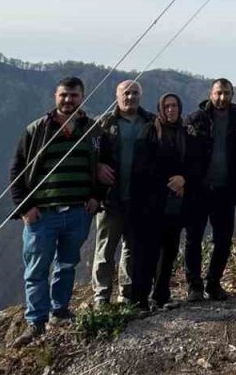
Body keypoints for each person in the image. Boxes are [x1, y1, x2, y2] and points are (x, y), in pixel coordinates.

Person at [8, 76, 102, 346]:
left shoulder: (93, 131)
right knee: (36, 270)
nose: (68, 100)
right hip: (43, 214)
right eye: (64, 95)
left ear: (82, 97)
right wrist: (25, 208)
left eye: (73, 95)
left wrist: (97, 197)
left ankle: (59, 310)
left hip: (78, 213)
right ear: (55, 96)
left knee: (67, 264)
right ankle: (35, 322)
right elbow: (17, 170)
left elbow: (106, 163)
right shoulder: (37, 129)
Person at [90, 80, 155, 306]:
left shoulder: (151, 123)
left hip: (138, 198)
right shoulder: (104, 123)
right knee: (105, 249)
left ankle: (126, 294)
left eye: (135, 93)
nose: (131, 97)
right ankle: (101, 296)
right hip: (110, 198)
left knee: (131, 248)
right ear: (117, 96)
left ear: (141, 96)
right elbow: (89, 153)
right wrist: (97, 167)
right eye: (126, 93)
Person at [184, 78, 236, 301]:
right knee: (194, 239)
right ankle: (194, 286)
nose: (222, 97)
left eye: (227, 93)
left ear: (232, 95)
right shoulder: (195, 119)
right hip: (199, 190)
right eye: (219, 93)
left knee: (223, 240)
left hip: (225, 191)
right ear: (211, 94)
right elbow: (185, 154)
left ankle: (213, 283)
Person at [139, 93, 190, 310]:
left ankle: (162, 294)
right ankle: (142, 297)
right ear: (161, 108)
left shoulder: (185, 132)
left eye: (175, 105)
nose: (171, 109)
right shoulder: (150, 130)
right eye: (167, 106)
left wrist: (183, 179)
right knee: (149, 250)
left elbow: (193, 161)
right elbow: (143, 163)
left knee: (169, 249)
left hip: (177, 200)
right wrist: (167, 182)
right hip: (153, 199)